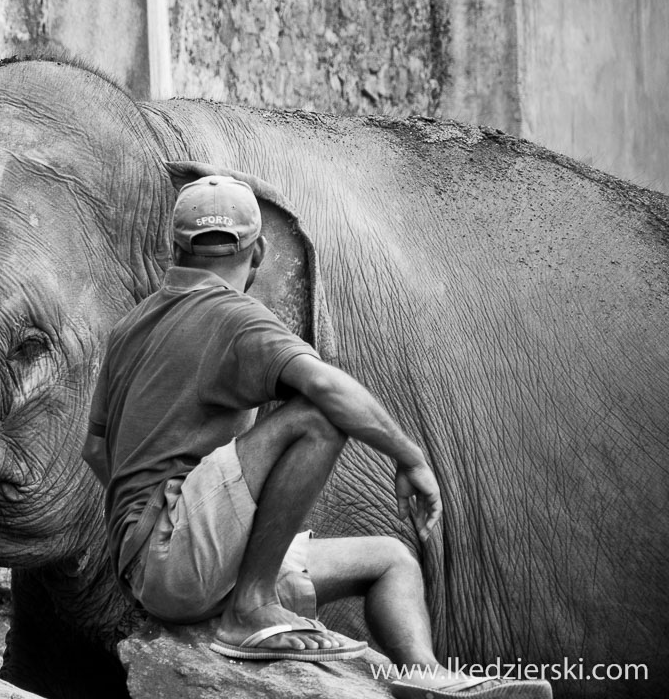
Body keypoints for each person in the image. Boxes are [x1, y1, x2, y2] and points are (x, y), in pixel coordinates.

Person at [83, 175, 551, 698]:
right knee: (319, 417)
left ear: (175, 248)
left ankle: (426, 677)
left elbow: (97, 450)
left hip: (160, 562)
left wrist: (150, 526)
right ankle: (250, 606)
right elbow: (326, 386)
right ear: (258, 252)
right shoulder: (235, 318)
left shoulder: (129, 327)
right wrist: (410, 457)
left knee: (391, 561)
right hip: (178, 559)